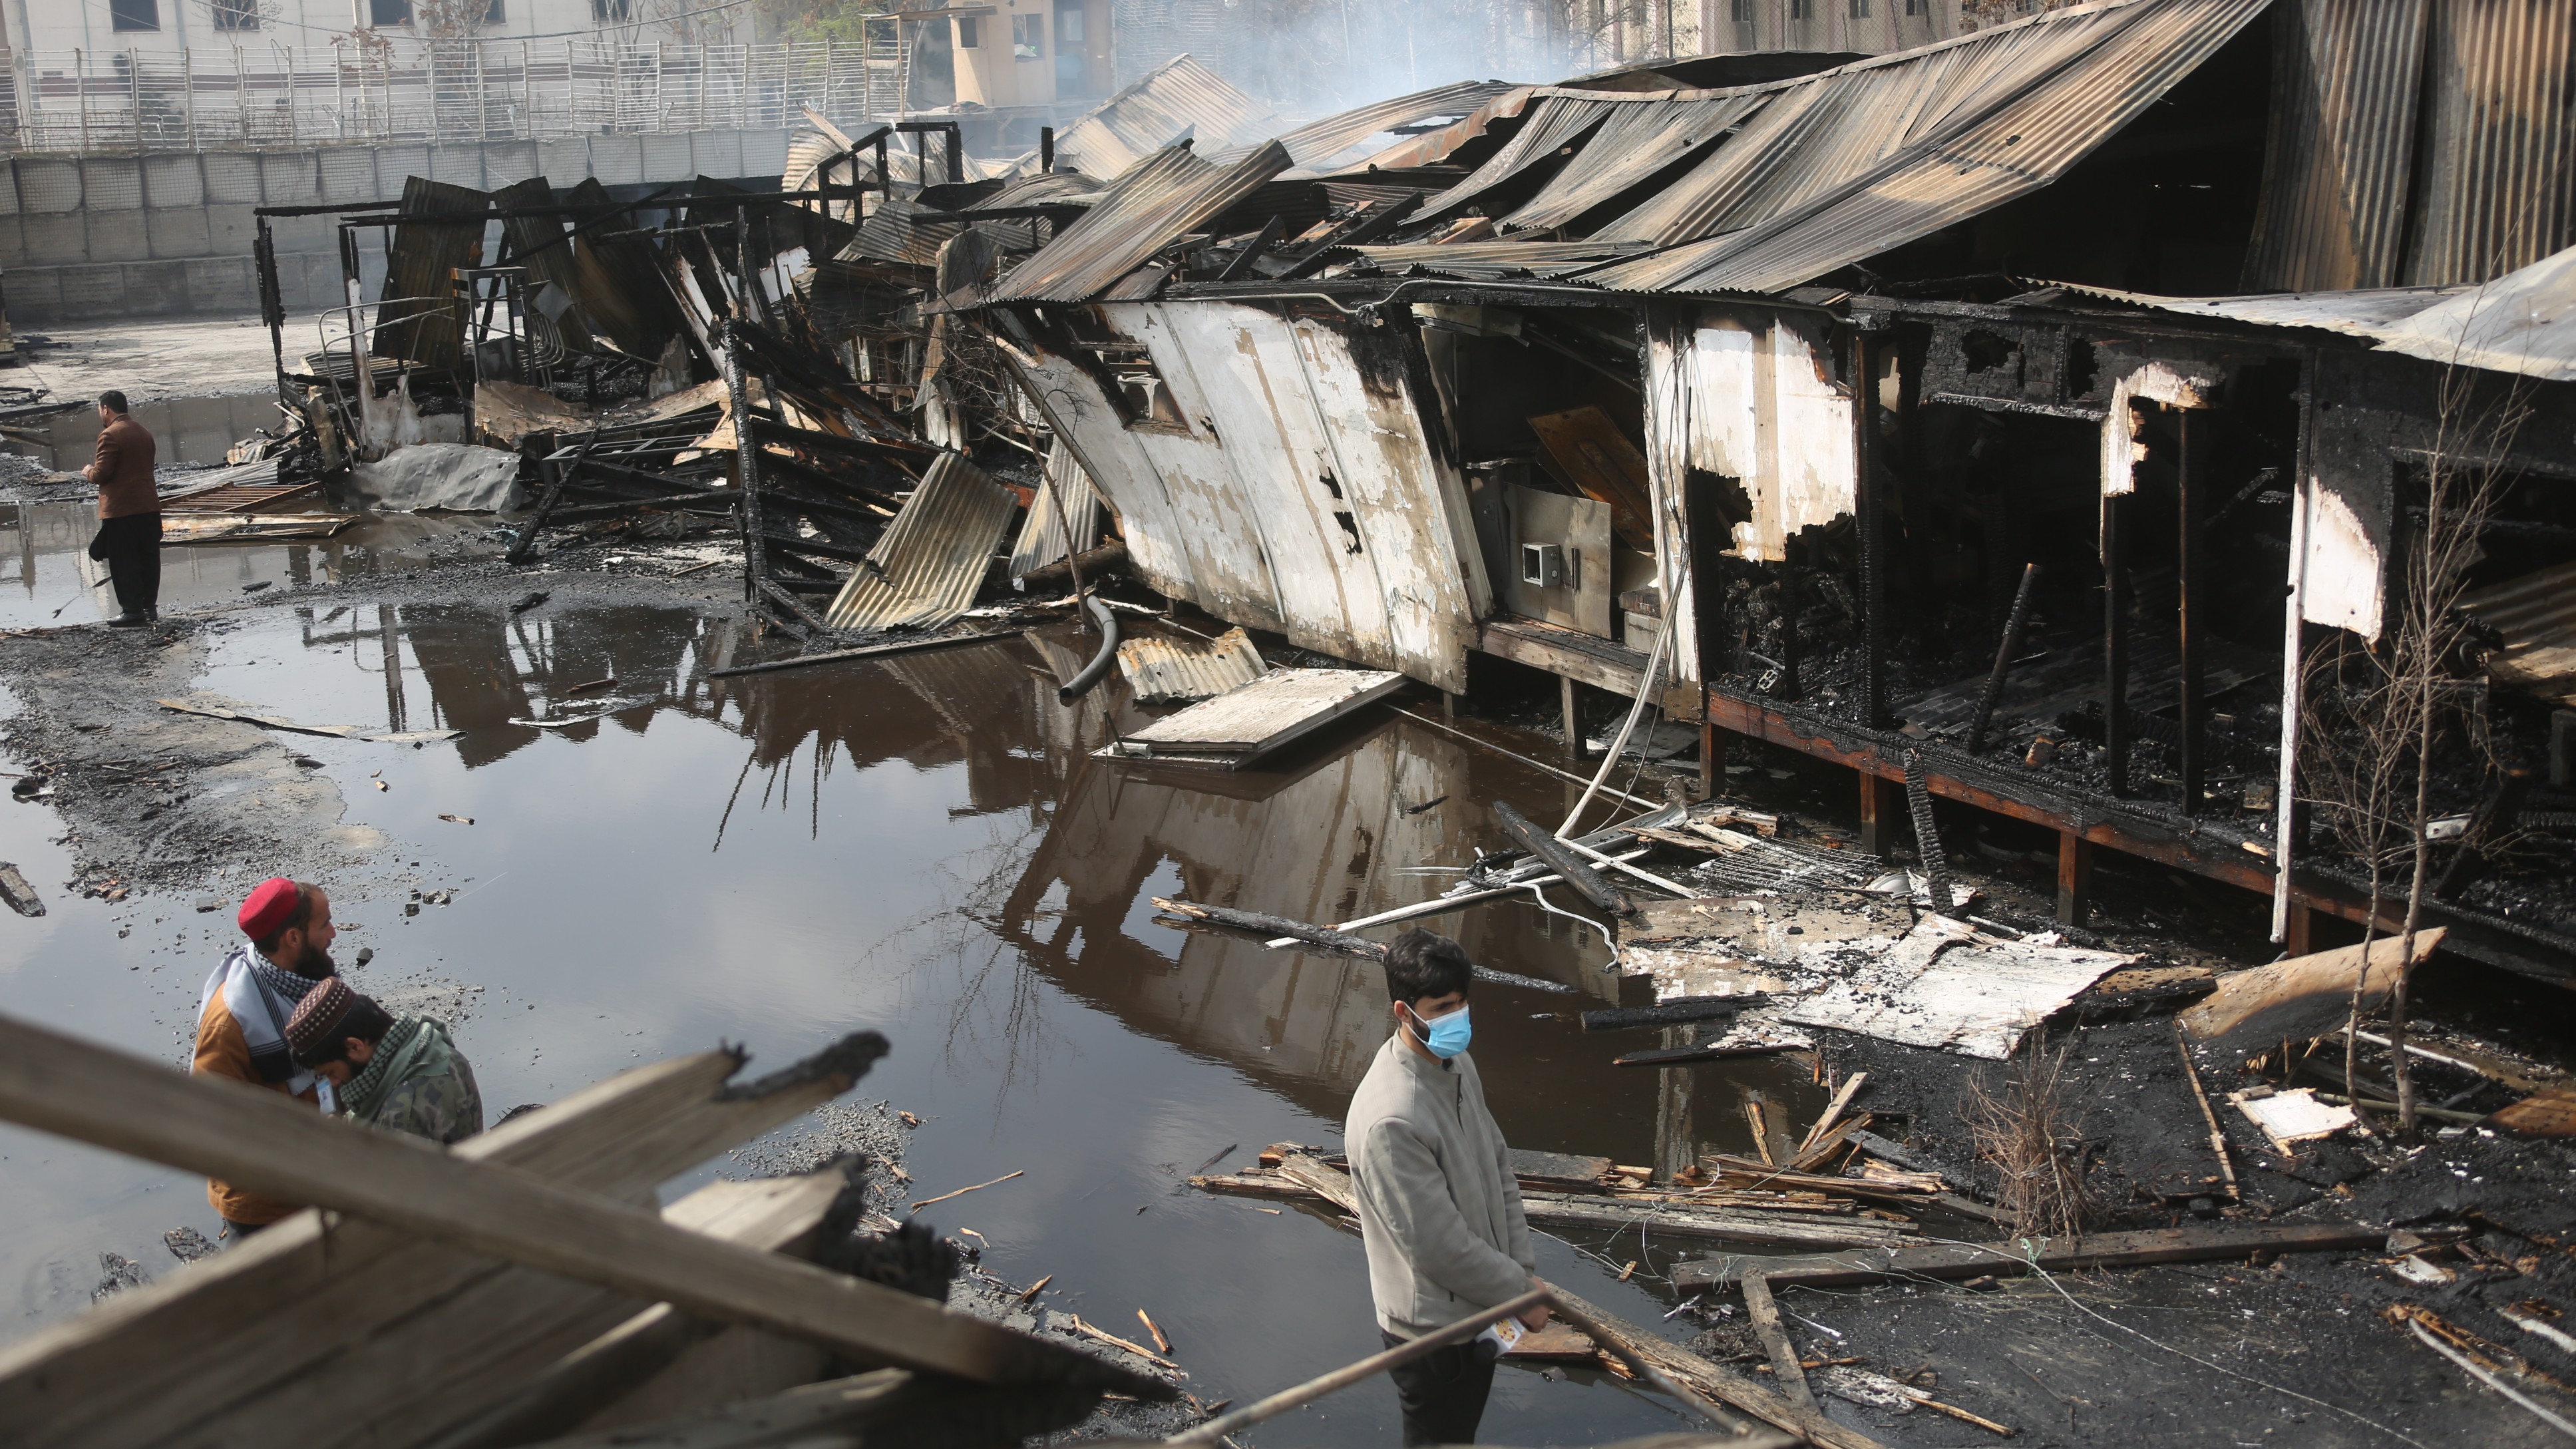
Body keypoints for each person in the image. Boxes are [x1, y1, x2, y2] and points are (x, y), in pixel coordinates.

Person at [1346, 929, 1547, 1447]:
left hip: (1479, 1306)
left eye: (1460, 1003)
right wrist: (1516, 1292)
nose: (1455, 1016)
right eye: (1440, 1006)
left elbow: (1497, 1164)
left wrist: (1521, 1270)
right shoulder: (1391, 1117)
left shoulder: (1455, 1065)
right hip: (1431, 1332)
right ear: (1402, 1010)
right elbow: (1438, 1247)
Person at [193, 879, 337, 1239]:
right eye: (324, 925)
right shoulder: (229, 1024)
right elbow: (212, 1123)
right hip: (266, 1205)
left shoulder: (303, 980)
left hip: (318, 1181)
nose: (333, 933)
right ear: (292, 938)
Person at [285, 976, 483, 1145]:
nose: (334, 1083)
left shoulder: (399, 1115)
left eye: (330, 1072)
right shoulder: (432, 1045)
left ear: (355, 1047)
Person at [81, 390, 160, 629]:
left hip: (122, 510)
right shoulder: (143, 431)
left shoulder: (110, 435)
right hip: (148, 506)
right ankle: (149, 608)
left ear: (105, 409)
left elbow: (102, 473)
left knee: (124, 561)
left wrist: (88, 472)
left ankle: (132, 612)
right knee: (148, 558)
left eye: (99, 410)